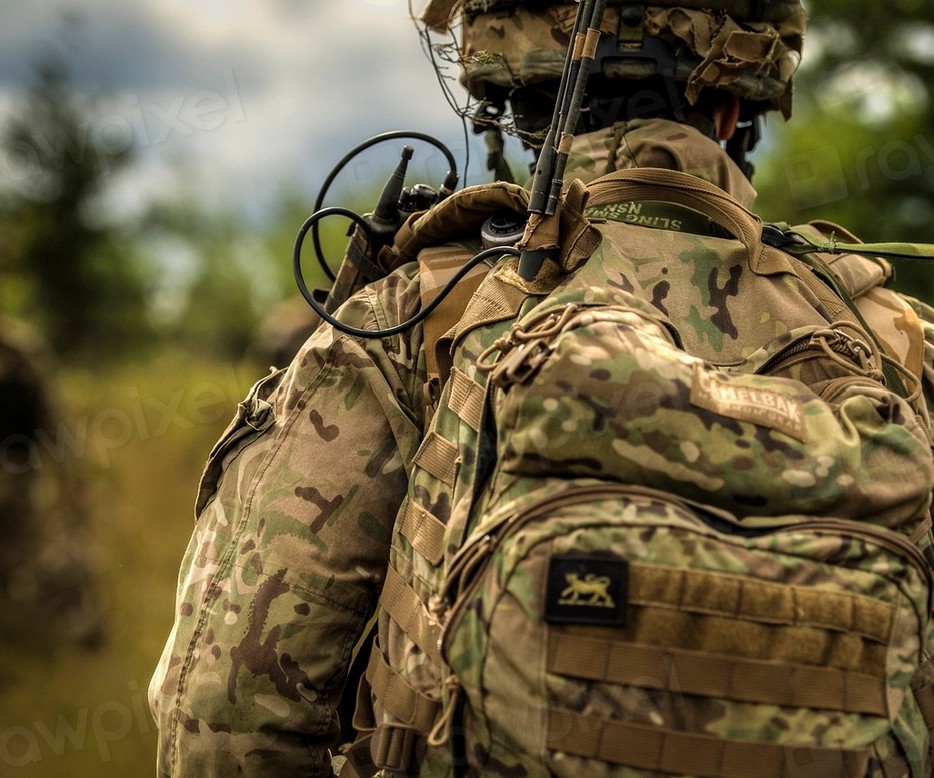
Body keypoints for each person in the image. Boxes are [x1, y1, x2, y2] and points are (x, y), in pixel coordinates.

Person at [150, 1, 934, 776]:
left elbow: (227, 712)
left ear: (517, 108)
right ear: (734, 110)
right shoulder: (893, 339)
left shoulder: (416, 315)